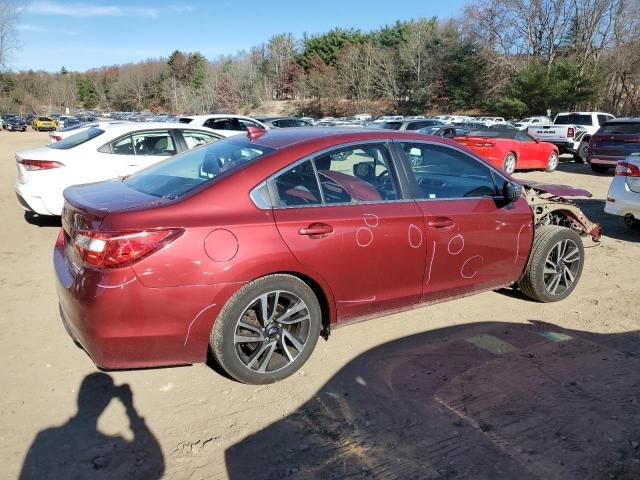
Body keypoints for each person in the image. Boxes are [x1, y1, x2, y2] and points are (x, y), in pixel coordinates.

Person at [20, 372, 164, 479]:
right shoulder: (117, 444)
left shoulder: (46, 437)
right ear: (107, 403)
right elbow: (156, 462)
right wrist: (129, 407)